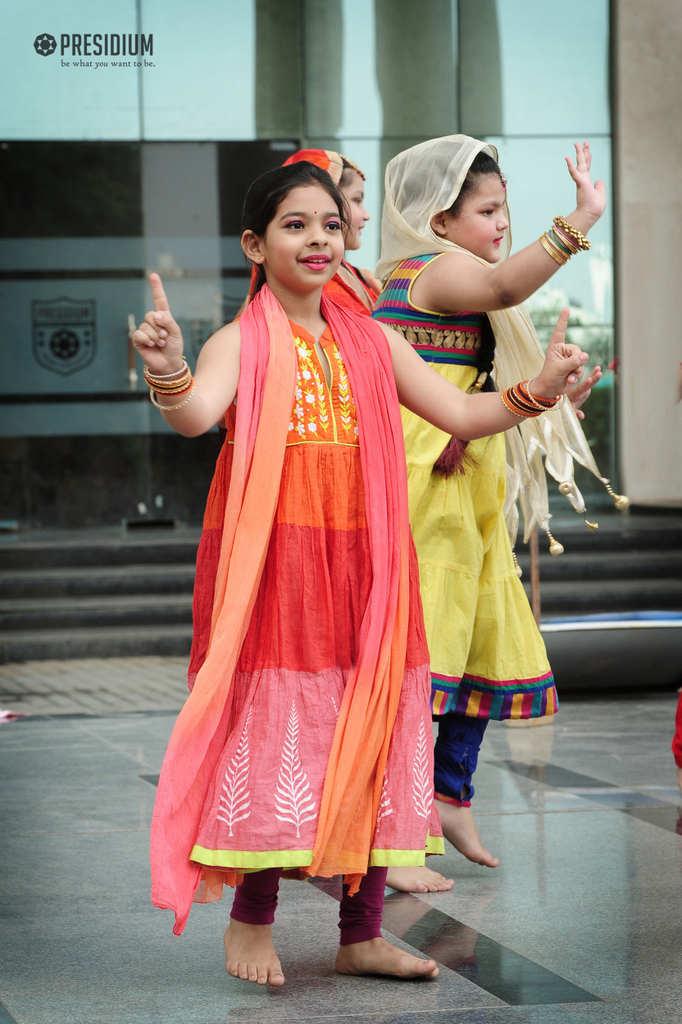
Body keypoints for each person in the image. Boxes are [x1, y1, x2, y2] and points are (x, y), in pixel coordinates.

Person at [133, 160, 589, 987]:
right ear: (255, 244)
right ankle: (252, 921)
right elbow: (198, 414)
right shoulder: (241, 342)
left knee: (376, 732)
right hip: (281, 576)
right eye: (295, 225)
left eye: (331, 226)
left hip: (371, 571)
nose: (318, 239)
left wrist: (539, 390)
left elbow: (462, 412)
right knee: (279, 738)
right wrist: (169, 365)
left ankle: (361, 932)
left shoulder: (373, 338)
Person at [373, 136, 612, 889]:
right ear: (437, 220)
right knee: (423, 650)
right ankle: (400, 830)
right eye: (487, 211)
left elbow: (488, 381)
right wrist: (578, 219)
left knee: (477, 639)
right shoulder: (430, 269)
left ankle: (449, 794)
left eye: (503, 209)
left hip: (463, 475)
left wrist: (552, 392)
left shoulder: (450, 273)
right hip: (422, 477)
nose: (501, 224)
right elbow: (509, 287)